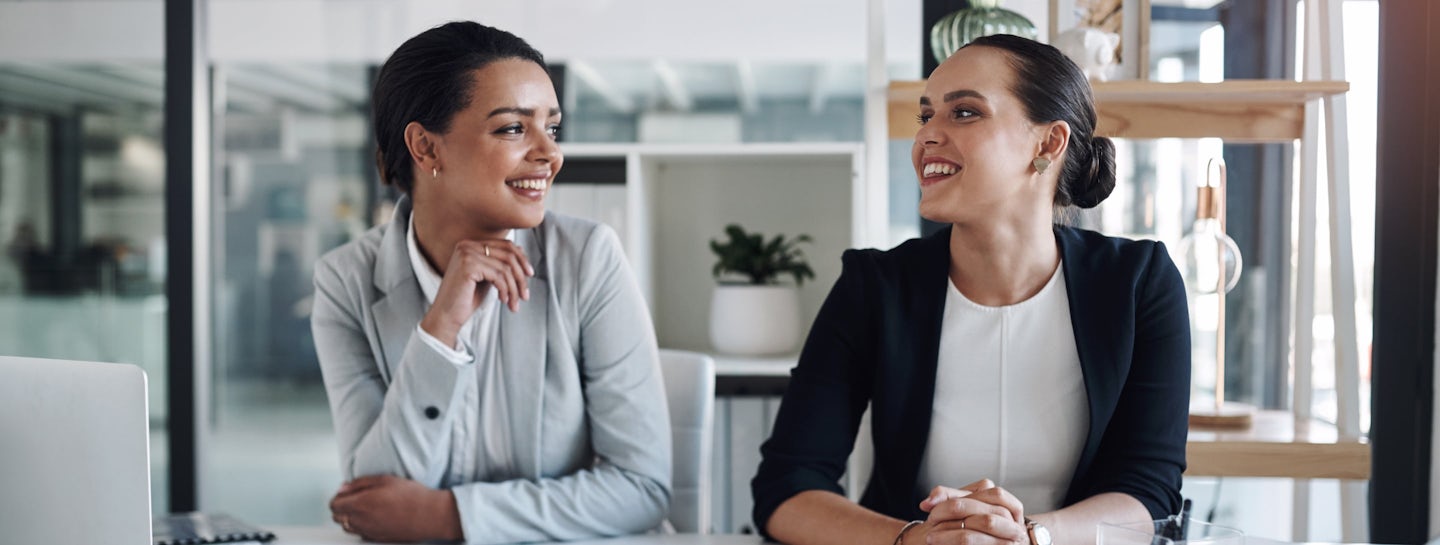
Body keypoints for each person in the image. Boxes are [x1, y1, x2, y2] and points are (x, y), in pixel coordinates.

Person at [752, 34, 1189, 545]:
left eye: (963, 113)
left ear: (1048, 144)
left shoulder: (1139, 283)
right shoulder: (875, 286)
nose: (926, 137)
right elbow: (786, 489)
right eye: (925, 116)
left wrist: (1028, 537)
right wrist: (914, 540)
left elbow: (1149, 489)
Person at [311, 21, 671, 545]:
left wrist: (448, 517)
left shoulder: (588, 260)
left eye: (553, 128)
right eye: (513, 128)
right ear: (426, 148)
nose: (550, 155)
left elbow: (643, 489)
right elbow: (375, 502)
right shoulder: (345, 282)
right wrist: (440, 332)